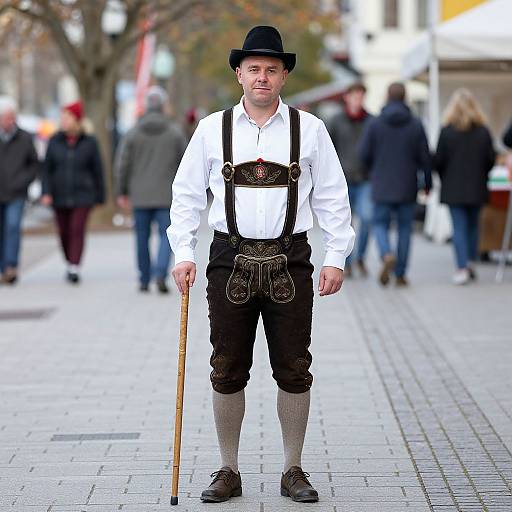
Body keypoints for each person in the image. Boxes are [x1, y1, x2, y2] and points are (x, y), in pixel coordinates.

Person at [168, 26, 354, 504]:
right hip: (228, 257)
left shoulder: (310, 130)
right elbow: (186, 196)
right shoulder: (212, 129)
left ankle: (292, 467)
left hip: (291, 257)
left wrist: (336, 256)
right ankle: (228, 468)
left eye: (271, 69)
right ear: (239, 74)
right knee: (227, 366)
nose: (262, 77)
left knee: (294, 366)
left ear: (284, 75)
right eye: (254, 69)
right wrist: (183, 252)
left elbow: (334, 197)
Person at [359, 82, 432, 287]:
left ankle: (386, 253)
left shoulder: (374, 124)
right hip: (407, 186)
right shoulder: (416, 124)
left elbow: (363, 154)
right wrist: (428, 184)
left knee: (380, 224)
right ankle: (400, 274)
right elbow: (425, 158)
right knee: (404, 229)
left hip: (381, 184)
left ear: (387, 97)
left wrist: (370, 173)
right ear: (405, 97)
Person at [115, 86, 186, 293]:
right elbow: (186, 164)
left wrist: (122, 191)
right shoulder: (174, 133)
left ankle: (144, 278)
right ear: (163, 106)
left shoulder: (133, 133)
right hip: (166, 195)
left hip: (140, 195)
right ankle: (160, 273)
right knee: (167, 236)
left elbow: (123, 164)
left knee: (141, 237)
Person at [434, 89, 495, 285]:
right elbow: (490, 160)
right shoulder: (483, 131)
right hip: (477, 187)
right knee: (473, 227)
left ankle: (461, 268)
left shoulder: (446, 131)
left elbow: (438, 161)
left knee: (459, 228)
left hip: (453, 188)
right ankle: (470, 262)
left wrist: (445, 177)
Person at [41, 101, 105, 284]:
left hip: (83, 194)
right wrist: (46, 192)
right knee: (63, 232)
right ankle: (69, 261)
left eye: (67, 117)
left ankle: (74, 267)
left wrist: (100, 196)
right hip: (59, 194)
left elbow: (97, 170)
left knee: (77, 230)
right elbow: (47, 169)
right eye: (62, 117)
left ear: (76, 119)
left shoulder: (90, 142)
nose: (63, 121)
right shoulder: (54, 141)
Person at [327, 82, 372, 277]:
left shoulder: (371, 121)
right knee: (345, 223)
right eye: (354, 95)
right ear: (347, 97)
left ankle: (360, 257)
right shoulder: (336, 121)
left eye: (360, 95)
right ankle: (347, 262)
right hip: (342, 180)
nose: (357, 99)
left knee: (368, 218)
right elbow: (328, 150)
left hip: (366, 179)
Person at [0, 96, 39, 284]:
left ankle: (11, 266)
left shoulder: (25, 138)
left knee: (13, 227)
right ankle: (2, 268)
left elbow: (34, 164)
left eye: (8, 117)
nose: (6, 121)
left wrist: (23, 181)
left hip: (16, 192)